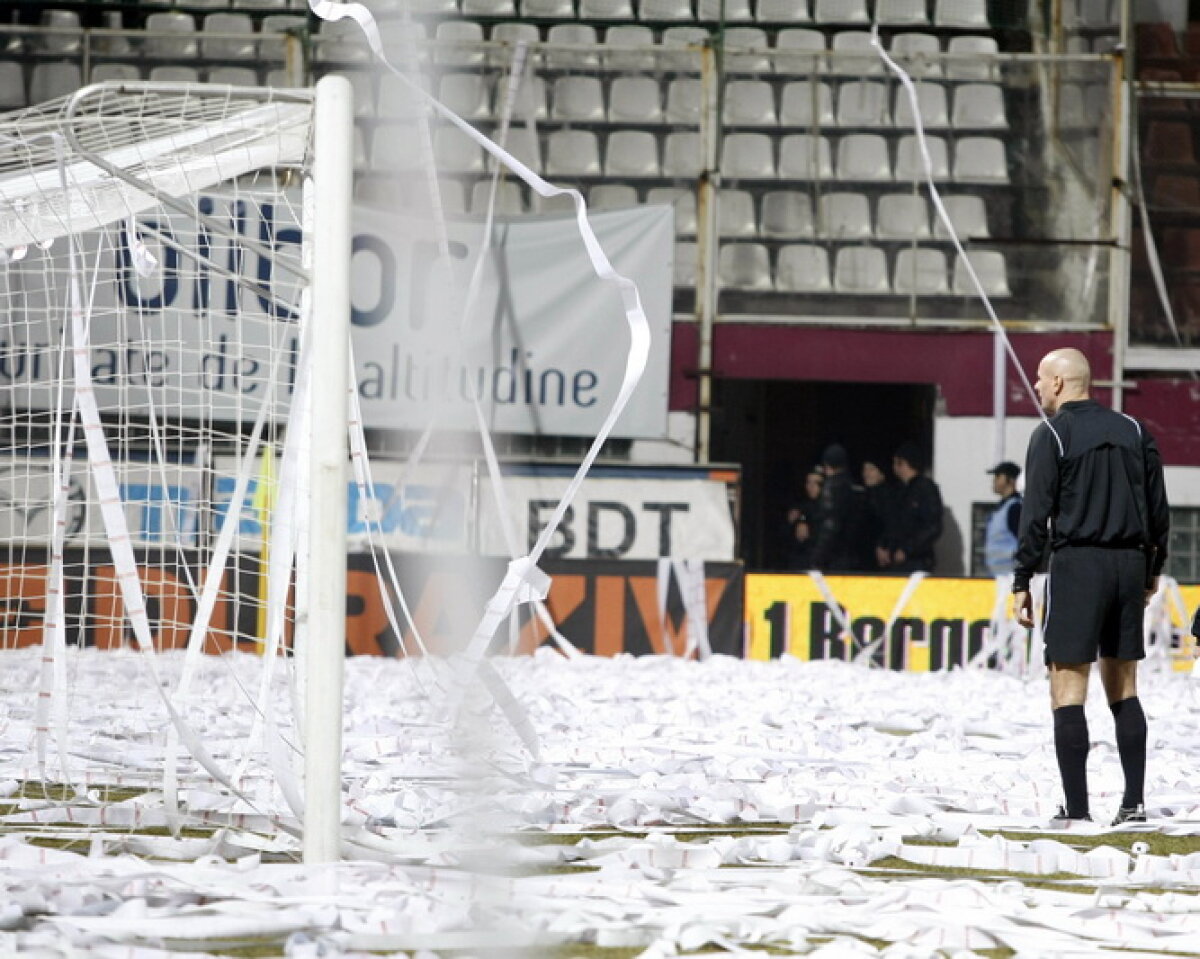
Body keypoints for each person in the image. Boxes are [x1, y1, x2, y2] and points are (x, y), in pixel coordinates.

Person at [1012, 347, 1169, 827]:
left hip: (1078, 564)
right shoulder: (1136, 430)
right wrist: (1151, 571)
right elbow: (1158, 510)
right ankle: (1133, 804)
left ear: (1059, 382)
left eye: (1040, 378)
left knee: (1067, 686)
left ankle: (1078, 810)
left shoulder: (1052, 435)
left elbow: (1035, 514)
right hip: (1129, 565)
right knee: (1124, 686)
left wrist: (1022, 578)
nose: (1037, 386)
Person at [878, 441, 943, 573]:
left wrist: (908, 549)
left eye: (895, 462)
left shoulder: (925, 489)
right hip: (894, 559)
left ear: (902, 463)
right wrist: (883, 545)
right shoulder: (898, 490)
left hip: (916, 561)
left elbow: (932, 526)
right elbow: (891, 522)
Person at [810, 444, 861, 573]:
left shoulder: (832, 487)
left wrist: (818, 557)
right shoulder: (853, 487)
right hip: (851, 554)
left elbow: (830, 525)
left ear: (827, 465)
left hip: (833, 558)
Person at [984, 461, 1023, 577]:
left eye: (998, 476)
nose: (994, 481)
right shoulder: (1002, 508)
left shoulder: (1015, 508)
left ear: (1011, 480)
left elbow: (1023, 541)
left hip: (1009, 575)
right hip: (997, 574)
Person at [784, 469, 824, 570]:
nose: (811, 486)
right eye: (808, 482)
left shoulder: (830, 509)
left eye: (816, 483)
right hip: (801, 564)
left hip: (824, 564)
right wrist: (793, 523)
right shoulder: (799, 508)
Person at [861, 456, 894, 571]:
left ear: (882, 474)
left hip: (880, 556)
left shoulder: (888, 497)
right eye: (864, 469)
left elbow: (891, 524)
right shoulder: (863, 496)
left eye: (871, 469)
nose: (866, 473)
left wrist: (884, 545)